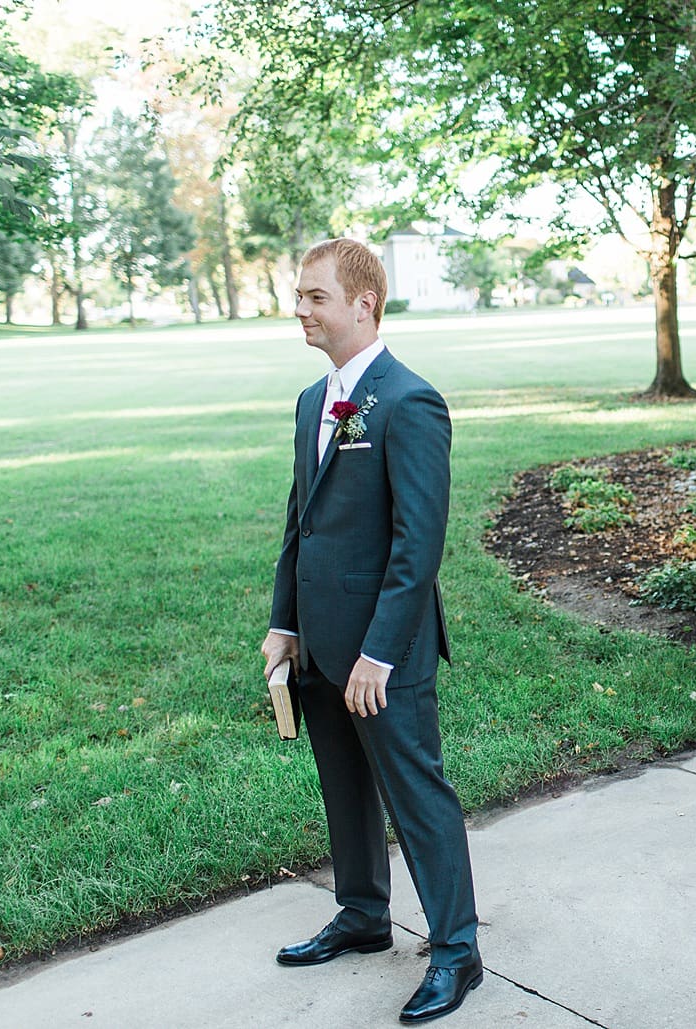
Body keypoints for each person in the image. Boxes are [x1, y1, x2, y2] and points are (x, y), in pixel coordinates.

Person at [261, 238, 482, 1022]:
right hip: (320, 641)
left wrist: (379, 652)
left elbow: (417, 545)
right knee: (344, 787)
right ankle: (361, 915)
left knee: (415, 793)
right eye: (298, 295)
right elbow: (302, 522)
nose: (300, 309)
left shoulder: (410, 401)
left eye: (315, 296)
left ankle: (457, 949)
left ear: (364, 304)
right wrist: (284, 623)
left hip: (385, 650)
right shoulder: (310, 401)